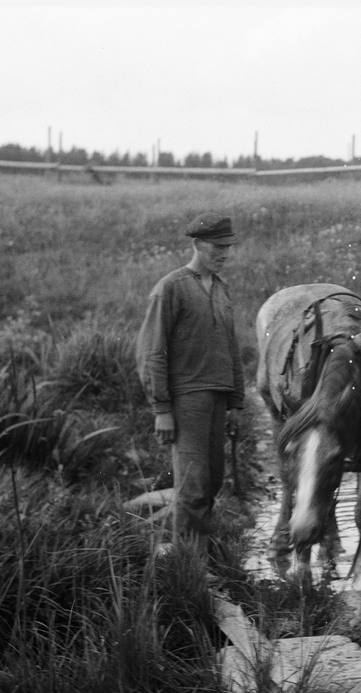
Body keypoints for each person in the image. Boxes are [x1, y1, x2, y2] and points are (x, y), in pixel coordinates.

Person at [136, 211, 246, 555]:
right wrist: (161, 409)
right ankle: (189, 567)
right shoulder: (170, 288)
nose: (224, 254)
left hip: (218, 398)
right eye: (217, 247)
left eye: (227, 247)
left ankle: (199, 557)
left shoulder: (222, 289)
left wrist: (236, 404)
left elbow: (231, 349)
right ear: (197, 245)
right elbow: (152, 352)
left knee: (211, 482)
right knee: (193, 485)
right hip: (187, 400)